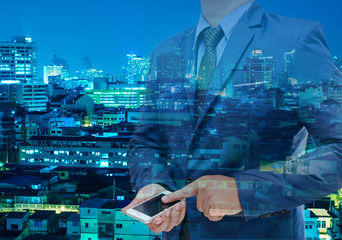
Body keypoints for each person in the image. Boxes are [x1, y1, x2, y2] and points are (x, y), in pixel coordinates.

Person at [122, 0, 342, 239]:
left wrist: (243, 191)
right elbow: (146, 143)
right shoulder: (164, 51)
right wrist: (154, 185)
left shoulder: (296, 40)